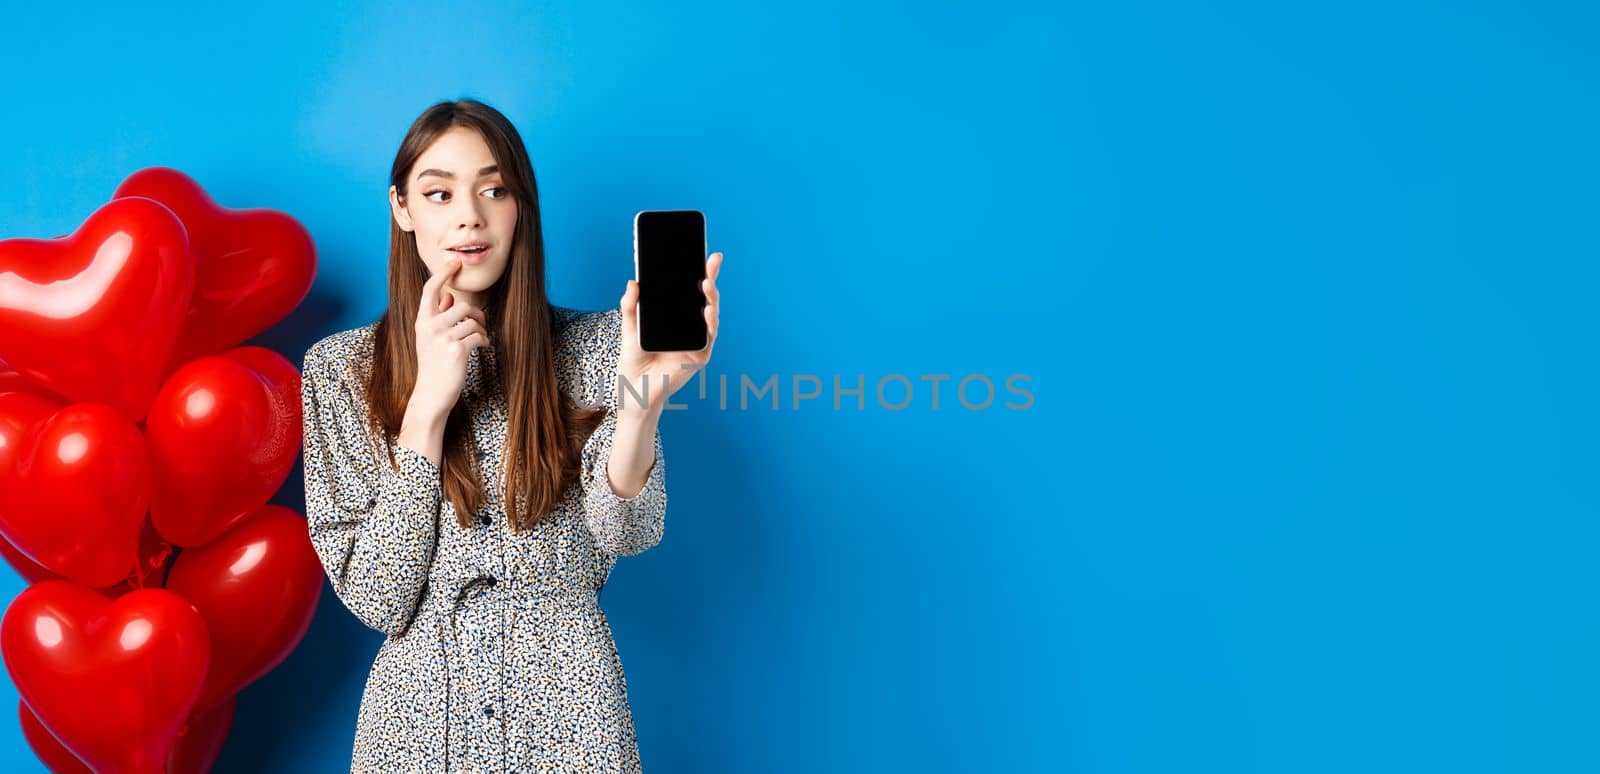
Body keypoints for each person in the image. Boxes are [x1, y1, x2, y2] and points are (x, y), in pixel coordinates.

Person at [299, 98, 722, 772]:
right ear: (403, 209)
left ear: (521, 206)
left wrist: (642, 401)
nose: (470, 215)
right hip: (418, 728)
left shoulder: (599, 348)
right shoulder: (339, 372)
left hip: (570, 714)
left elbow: (629, 532)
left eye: (494, 189)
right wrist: (428, 412)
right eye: (439, 193)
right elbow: (378, 596)